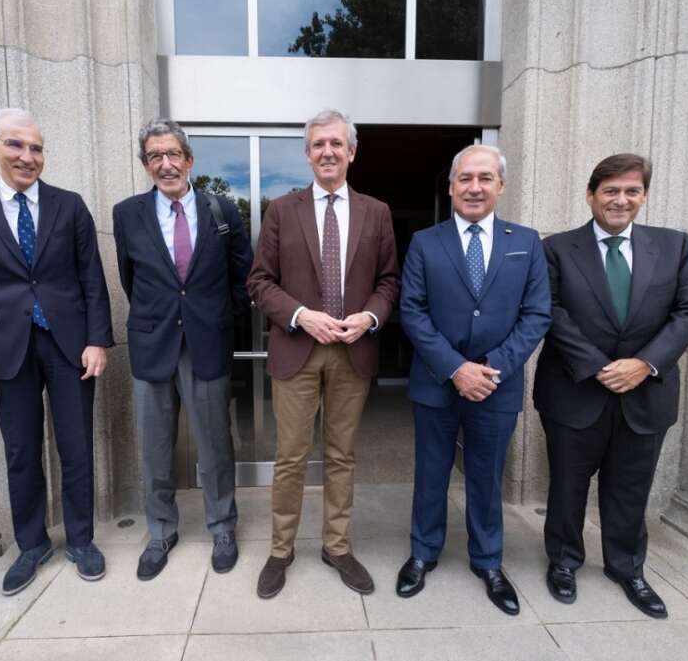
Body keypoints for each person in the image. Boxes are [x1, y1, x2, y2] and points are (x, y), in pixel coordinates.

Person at [0, 108, 113, 595]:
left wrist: (97, 339)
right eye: (17, 145)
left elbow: (92, 280)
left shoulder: (70, 205)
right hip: (5, 349)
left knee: (76, 447)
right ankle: (32, 544)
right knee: (20, 451)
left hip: (69, 346)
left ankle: (81, 540)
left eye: (36, 148)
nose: (28, 156)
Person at [534, 153, 688, 619]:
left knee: (631, 486)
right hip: (575, 389)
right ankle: (565, 562)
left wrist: (644, 364)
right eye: (610, 190)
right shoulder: (556, 248)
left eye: (632, 191)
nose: (621, 200)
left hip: (646, 392)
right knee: (567, 486)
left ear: (644, 196)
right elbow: (549, 310)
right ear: (591, 195)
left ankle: (627, 567)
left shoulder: (674, 246)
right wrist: (598, 366)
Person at [248, 109, 399, 598]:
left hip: (352, 352)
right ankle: (281, 549)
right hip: (297, 350)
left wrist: (370, 317)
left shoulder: (377, 211)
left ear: (351, 152)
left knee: (341, 456)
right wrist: (300, 315)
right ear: (307, 154)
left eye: (337, 144)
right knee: (290, 457)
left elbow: (389, 281)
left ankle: (336, 546)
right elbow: (259, 282)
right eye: (318, 145)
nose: (328, 152)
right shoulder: (281, 210)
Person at [396, 145, 550, 616]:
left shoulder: (526, 240)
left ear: (501, 186)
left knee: (487, 478)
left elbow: (536, 313)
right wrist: (456, 368)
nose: (475, 187)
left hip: (496, 386)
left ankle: (488, 562)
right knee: (431, 475)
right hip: (437, 382)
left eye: (485, 178)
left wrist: (490, 368)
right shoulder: (426, 241)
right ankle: (423, 553)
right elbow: (412, 311)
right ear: (451, 186)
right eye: (465, 178)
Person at [112, 119, 252, 581]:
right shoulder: (127, 213)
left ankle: (222, 526)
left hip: (207, 342)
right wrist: (161, 318)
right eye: (155, 156)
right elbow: (132, 280)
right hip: (153, 343)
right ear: (146, 165)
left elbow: (240, 278)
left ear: (189, 161)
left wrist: (214, 320)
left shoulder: (223, 211)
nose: (166, 164)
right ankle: (161, 530)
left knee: (214, 444)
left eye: (173, 154)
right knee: (154, 447)